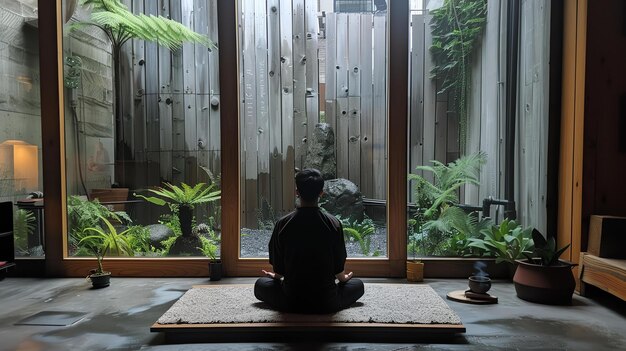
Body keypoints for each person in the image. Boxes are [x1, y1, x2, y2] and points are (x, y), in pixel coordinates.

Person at [254, 168, 364, 313]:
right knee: (358, 285)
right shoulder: (334, 223)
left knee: (260, 285)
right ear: (321, 193)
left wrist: (276, 276)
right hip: (327, 301)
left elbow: (279, 268)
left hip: (291, 300)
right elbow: (338, 267)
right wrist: (344, 278)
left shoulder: (283, 224)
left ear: (297, 192)